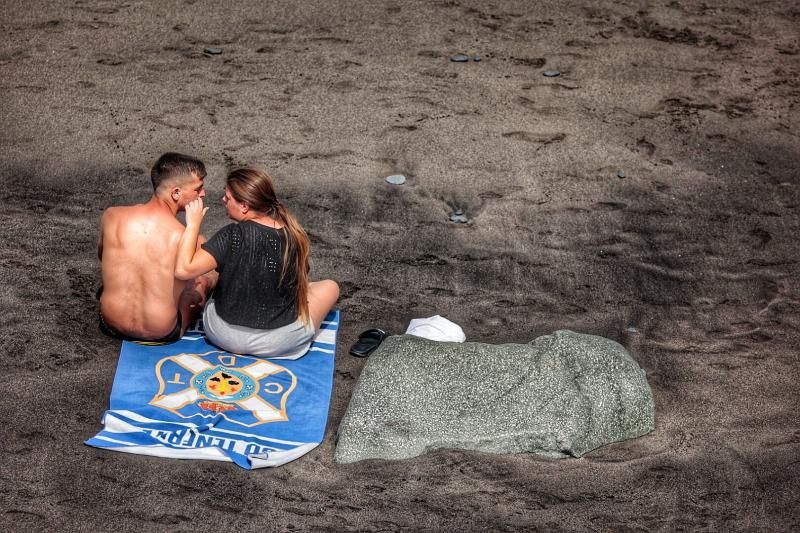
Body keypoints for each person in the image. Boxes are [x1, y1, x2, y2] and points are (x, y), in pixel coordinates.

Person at [175, 166, 339, 359]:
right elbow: (299, 286)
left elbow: (183, 270)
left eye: (227, 198)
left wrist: (193, 224)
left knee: (212, 274)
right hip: (279, 343)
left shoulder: (232, 235)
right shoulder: (294, 236)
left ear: (244, 206)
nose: (223, 201)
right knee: (330, 287)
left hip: (224, 336)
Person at [98, 152, 216, 343]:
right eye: (198, 189)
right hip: (161, 332)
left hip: (111, 323)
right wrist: (194, 228)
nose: (203, 194)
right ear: (176, 193)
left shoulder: (112, 216)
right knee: (206, 276)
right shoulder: (187, 237)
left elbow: (103, 256)